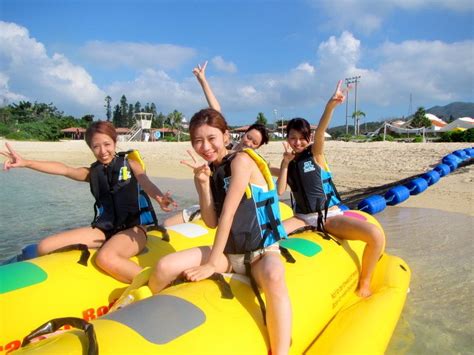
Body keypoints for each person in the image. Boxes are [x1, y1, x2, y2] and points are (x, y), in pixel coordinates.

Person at [149, 108, 292, 355]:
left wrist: (211, 264)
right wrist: (202, 184)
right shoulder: (210, 170)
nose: (204, 146)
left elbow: (228, 214)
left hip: (261, 251)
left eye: (211, 138)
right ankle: (158, 325)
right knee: (163, 267)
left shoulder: (242, 161)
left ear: (226, 137)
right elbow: (211, 221)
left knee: (275, 276)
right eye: (197, 140)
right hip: (229, 255)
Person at [1, 121, 177, 283]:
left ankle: (158, 283)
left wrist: (160, 198)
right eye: (96, 146)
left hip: (133, 230)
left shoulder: (130, 163)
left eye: (107, 144)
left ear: (115, 143)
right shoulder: (93, 172)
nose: (103, 151)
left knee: (105, 258)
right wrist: (26, 162)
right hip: (105, 230)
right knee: (45, 246)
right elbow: (64, 169)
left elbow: (145, 181)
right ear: (91, 148)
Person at [276, 81, 384, 298]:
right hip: (302, 217)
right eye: (292, 138)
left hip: (328, 217)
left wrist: (330, 106)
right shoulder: (288, 162)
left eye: (301, 138)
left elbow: (322, 130)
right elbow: (277, 187)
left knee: (375, 235)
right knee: (268, 236)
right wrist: (284, 163)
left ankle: (365, 282)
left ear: (308, 138)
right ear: (287, 139)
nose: (297, 142)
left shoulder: (315, 155)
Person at [163, 62, 270, 227]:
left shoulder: (245, 161)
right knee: (167, 224)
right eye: (248, 137)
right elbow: (216, 112)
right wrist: (202, 80)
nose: (248, 142)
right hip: (212, 201)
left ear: (257, 148)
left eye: (254, 143)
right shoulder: (225, 146)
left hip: (234, 211)